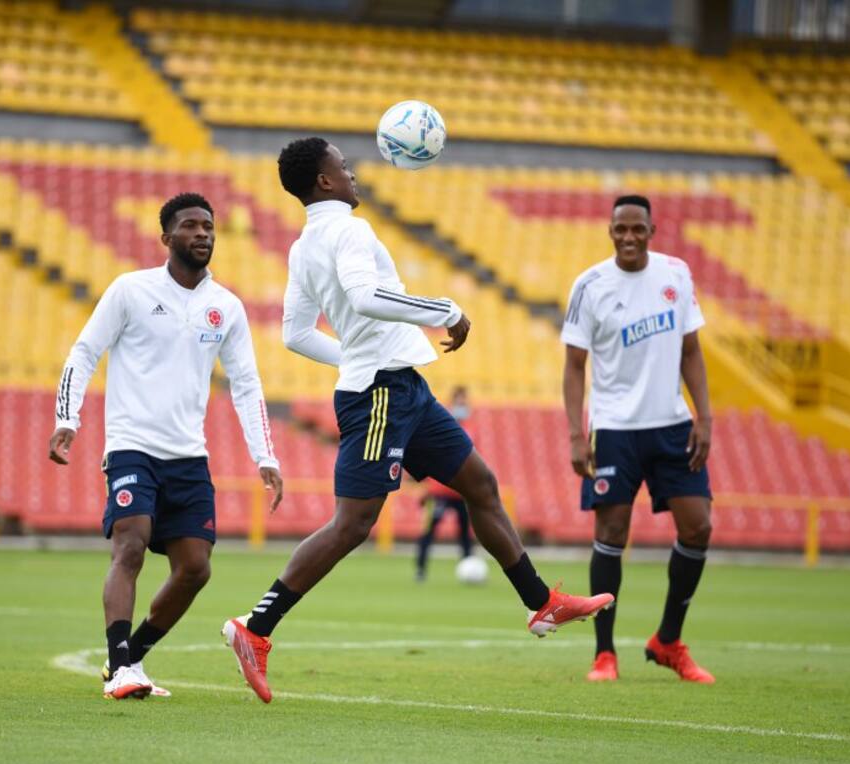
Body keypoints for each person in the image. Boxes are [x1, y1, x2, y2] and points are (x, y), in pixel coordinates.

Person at [221, 137, 614, 703]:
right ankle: (255, 627)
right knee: (353, 524)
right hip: (380, 393)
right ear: (326, 182)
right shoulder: (348, 231)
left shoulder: (305, 245)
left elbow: (295, 334)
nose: (352, 173)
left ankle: (541, 603)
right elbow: (365, 296)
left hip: (403, 385)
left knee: (479, 483)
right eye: (344, 166)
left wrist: (358, 356)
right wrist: (446, 311)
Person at [48, 193, 283, 700]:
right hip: (132, 446)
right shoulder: (130, 290)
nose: (202, 234)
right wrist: (68, 417)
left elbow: (246, 383)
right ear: (166, 238)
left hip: (188, 456)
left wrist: (265, 454)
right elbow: (84, 351)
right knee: (129, 544)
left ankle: (130, 660)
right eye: (191, 226)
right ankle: (120, 664)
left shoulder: (227, 307)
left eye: (208, 227)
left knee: (196, 568)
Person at [561, 194, 715, 684]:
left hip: (670, 424)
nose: (628, 237)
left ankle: (668, 641)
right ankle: (604, 654)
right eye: (620, 229)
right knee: (611, 534)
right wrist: (575, 433)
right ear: (610, 232)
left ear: (652, 230)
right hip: (614, 428)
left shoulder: (676, 274)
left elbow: (692, 350)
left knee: (698, 527)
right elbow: (573, 365)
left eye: (637, 229)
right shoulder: (590, 285)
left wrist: (704, 417)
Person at [415, 386, 474, 581]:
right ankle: (420, 569)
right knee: (429, 531)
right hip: (439, 490)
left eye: (464, 400)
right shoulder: (443, 425)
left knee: (465, 534)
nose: (462, 404)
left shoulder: (471, 429)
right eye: (459, 400)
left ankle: (469, 566)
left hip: (461, 491)